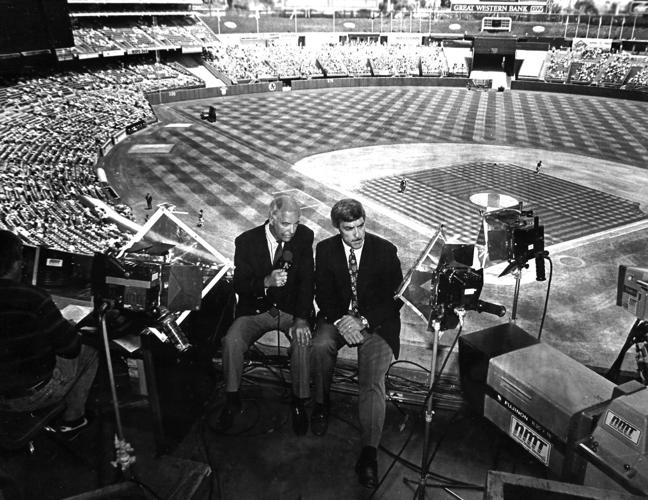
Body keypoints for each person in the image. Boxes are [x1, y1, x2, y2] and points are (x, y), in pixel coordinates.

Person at [311, 198, 403, 488]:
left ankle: (369, 454)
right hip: (339, 318)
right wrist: (341, 320)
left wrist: (362, 321)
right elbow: (322, 294)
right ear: (338, 227)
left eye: (361, 226)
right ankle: (322, 404)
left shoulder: (385, 250)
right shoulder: (325, 250)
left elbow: (395, 298)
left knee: (371, 380)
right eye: (349, 229)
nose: (357, 234)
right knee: (319, 346)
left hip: (376, 323)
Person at [219, 194, 314, 435]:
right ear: (272, 218)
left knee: (302, 342)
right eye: (285, 224)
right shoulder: (246, 241)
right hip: (256, 310)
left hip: (292, 311)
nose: (292, 230)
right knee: (232, 341)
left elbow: (306, 281)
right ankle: (232, 400)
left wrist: (302, 319)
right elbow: (240, 284)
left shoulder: (304, 237)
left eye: (296, 223)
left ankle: (299, 402)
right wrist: (265, 281)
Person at [0, 230, 98, 435]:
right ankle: (74, 419)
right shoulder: (33, 297)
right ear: (17, 264)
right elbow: (71, 349)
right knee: (90, 350)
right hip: (28, 396)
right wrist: (65, 327)